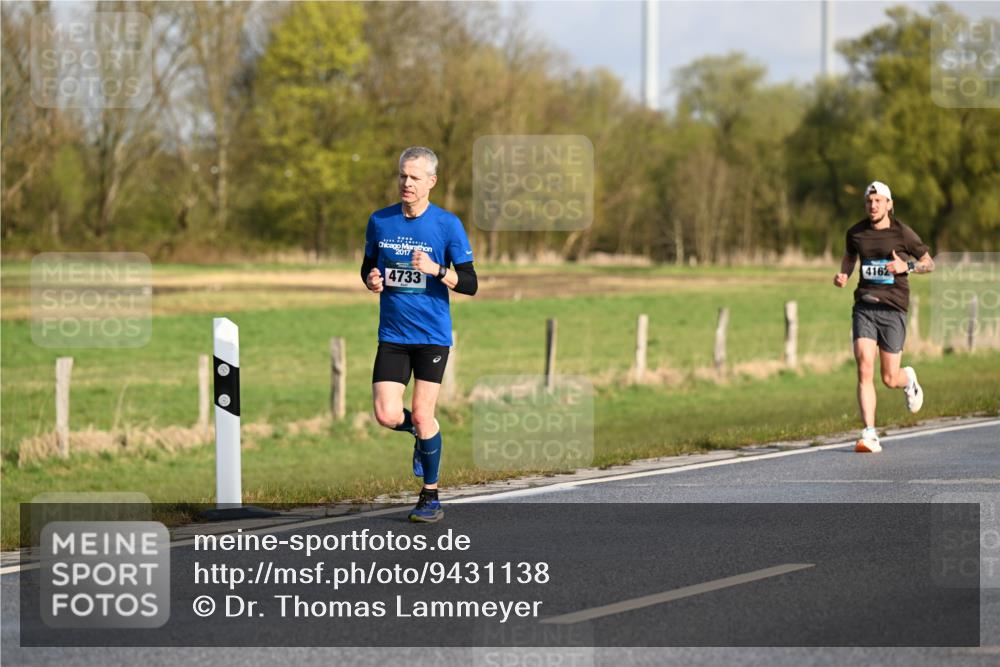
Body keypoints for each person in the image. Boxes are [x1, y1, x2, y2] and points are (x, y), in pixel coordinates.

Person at [361, 147, 478, 522]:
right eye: (402, 175)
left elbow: (471, 283)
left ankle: (430, 496)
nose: (406, 183)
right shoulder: (380, 221)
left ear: (431, 181)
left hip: (431, 336)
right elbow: (368, 266)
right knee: (386, 414)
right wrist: (371, 279)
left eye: (414, 177)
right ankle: (423, 436)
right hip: (393, 334)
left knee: (425, 415)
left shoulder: (447, 225)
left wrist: (437, 269)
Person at [834, 180, 934, 453]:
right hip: (865, 306)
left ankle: (908, 379)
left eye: (878, 200)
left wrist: (906, 266)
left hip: (893, 308)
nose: (873, 205)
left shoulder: (903, 233)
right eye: (869, 201)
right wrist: (844, 274)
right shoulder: (856, 233)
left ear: (889, 204)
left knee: (889, 378)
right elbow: (849, 257)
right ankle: (869, 434)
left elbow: (929, 263)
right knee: (864, 366)